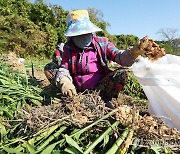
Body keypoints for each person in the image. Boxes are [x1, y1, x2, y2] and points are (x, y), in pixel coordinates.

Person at [44, 9, 148, 106]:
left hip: (99, 89)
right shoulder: (69, 47)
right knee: (50, 68)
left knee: (121, 74)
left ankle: (104, 99)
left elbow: (119, 56)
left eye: (85, 32)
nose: (83, 36)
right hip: (75, 89)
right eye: (78, 34)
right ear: (72, 36)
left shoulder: (102, 43)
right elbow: (64, 68)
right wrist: (65, 82)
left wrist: (133, 53)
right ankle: (69, 95)